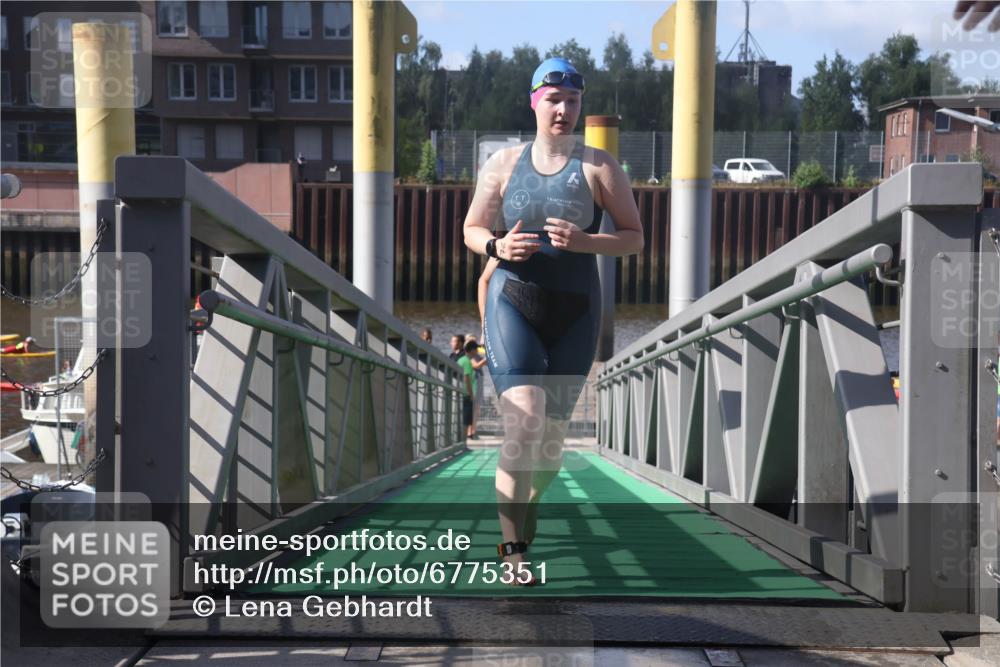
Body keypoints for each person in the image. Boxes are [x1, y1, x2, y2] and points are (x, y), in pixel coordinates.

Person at [462, 56, 643, 584]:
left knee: (550, 450)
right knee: (523, 424)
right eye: (553, 100)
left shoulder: (599, 167)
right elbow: (472, 229)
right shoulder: (502, 163)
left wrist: (588, 241)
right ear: (535, 102)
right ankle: (512, 550)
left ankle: (530, 500)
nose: (563, 110)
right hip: (512, 298)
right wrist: (496, 243)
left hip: (575, 312)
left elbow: (634, 237)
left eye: (573, 102)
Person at [456, 339, 480, 440]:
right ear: (472, 350)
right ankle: (463, 441)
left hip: (460, 392)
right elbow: (466, 378)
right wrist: (470, 394)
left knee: (464, 417)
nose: (477, 352)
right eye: (476, 349)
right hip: (465, 393)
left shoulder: (461, 359)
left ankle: (462, 439)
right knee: (466, 418)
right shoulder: (466, 361)